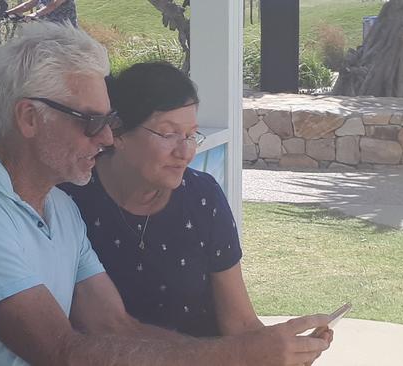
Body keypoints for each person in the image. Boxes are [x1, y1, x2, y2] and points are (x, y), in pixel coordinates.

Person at [0, 21, 332, 366]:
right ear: (29, 118)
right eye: (90, 121)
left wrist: (250, 353)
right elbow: (61, 353)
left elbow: (115, 327)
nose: (106, 137)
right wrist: (234, 356)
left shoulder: (62, 209)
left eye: (109, 120)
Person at [60, 62, 267, 337]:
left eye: (191, 135)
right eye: (168, 134)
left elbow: (240, 323)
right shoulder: (70, 199)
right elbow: (92, 329)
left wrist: (278, 350)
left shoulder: (203, 197)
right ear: (118, 133)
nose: (185, 152)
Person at [6, 0, 78, 27]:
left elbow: (54, 4)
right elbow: (30, 4)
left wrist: (35, 14)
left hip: (65, 31)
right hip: (46, 29)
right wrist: (9, 12)